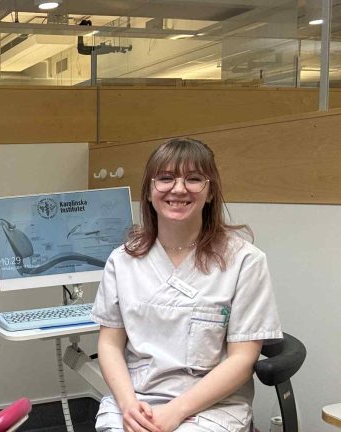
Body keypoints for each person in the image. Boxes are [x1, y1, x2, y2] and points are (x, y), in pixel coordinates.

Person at [91, 137, 282, 432]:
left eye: (193, 179)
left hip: (210, 408)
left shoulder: (245, 261)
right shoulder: (122, 261)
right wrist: (129, 406)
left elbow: (243, 359)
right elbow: (109, 344)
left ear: (210, 192)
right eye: (165, 178)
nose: (178, 189)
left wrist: (175, 412)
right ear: (150, 191)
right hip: (135, 401)